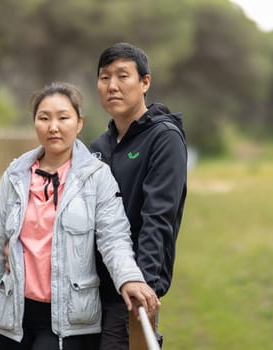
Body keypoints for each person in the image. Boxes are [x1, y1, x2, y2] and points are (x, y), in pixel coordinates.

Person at [0, 81, 159, 350]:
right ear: (35, 123)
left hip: (70, 321)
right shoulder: (15, 176)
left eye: (63, 117)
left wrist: (129, 277)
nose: (53, 127)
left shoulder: (96, 176)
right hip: (12, 319)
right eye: (44, 118)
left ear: (79, 123)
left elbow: (114, 238)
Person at [90, 42, 188, 349]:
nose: (113, 86)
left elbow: (158, 218)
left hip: (129, 293)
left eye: (123, 76)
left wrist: (142, 285)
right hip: (87, 293)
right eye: (105, 77)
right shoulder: (98, 146)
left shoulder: (164, 138)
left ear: (145, 82)